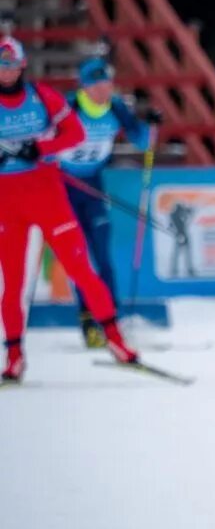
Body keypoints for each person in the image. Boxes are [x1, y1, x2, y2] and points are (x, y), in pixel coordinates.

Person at [0, 36, 138, 383]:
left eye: (11, 66)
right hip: (7, 204)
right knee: (13, 283)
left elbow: (74, 134)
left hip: (48, 197)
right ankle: (14, 357)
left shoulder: (40, 97)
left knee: (82, 269)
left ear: (21, 66)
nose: (6, 73)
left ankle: (116, 341)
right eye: (1, 67)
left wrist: (41, 146)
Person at [58, 57, 161, 346]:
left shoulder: (115, 106)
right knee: (79, 259)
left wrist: (150, 125)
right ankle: (88, 322)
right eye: (98, 86)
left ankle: (111, 320)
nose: (104, 91)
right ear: (85, 86)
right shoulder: (70, 107)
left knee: (104, 256)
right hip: (65, 187)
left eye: (107, 85)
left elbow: (142, 141)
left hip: (92, 186)